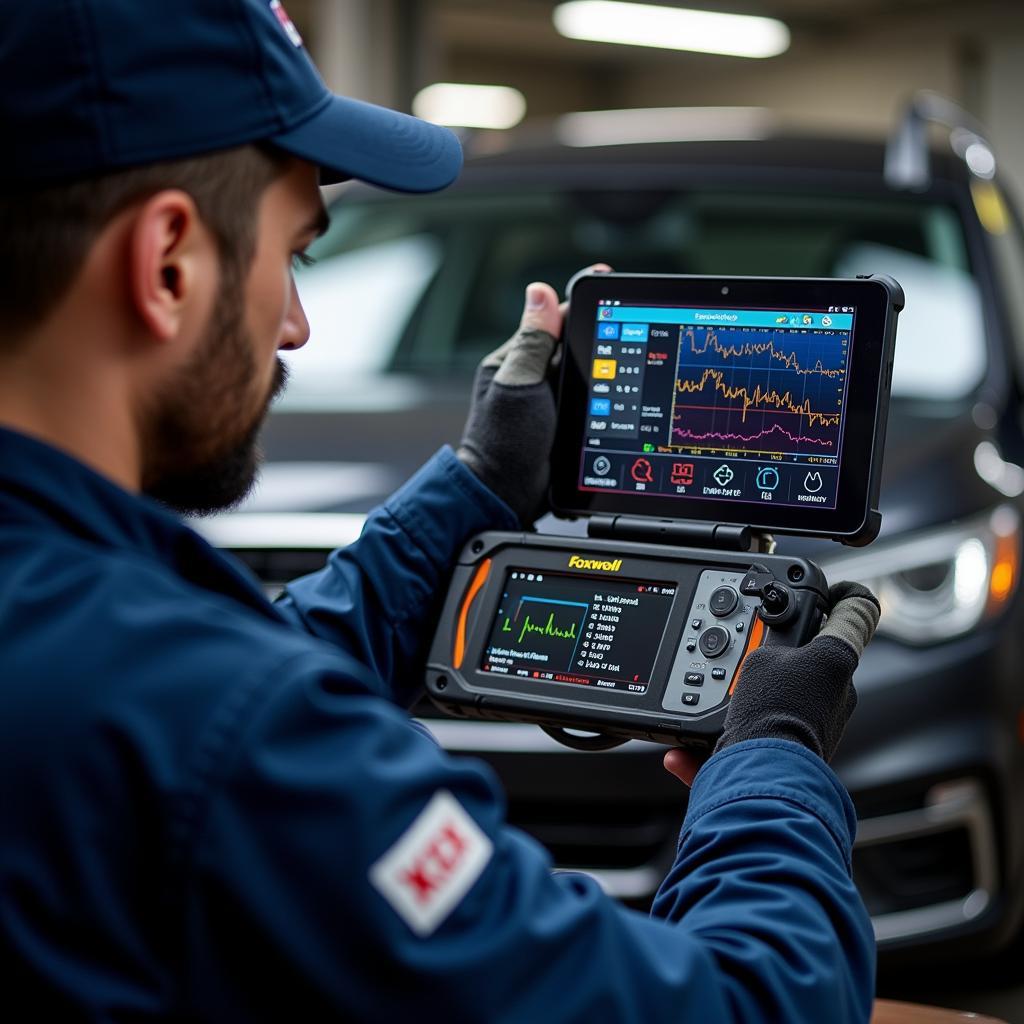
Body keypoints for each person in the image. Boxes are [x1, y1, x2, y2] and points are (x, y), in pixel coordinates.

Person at [0, 1, 880, 1020]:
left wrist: (479, 490)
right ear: (167, 264)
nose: (294, 324)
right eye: (295, 252)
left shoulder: (101, 662)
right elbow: (754, 1006)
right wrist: (772, 761)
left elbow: (188, 708)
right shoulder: (229, 735)